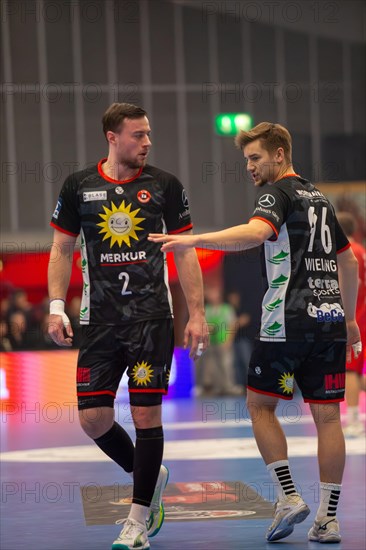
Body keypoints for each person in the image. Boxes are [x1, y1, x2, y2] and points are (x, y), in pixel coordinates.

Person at [149, 122, 362, 544]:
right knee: (327, 417)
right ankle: (327, 520)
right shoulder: (318, 197)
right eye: (246, 159)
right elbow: (349, 262)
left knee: (260, 406)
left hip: (287, 319)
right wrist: (351, 318)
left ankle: (287, 497)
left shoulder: (275, 194)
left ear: (279, 155)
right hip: (330, 320)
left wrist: (194, 240)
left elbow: (254, 233)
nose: (249, 166)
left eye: (255, 158)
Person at [48, 102, 208, 550]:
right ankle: (149, 473)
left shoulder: (165, 186)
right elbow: (61, 250)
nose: (147, 142)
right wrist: (57, 305)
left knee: (144, 414)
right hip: (98, 322)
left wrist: (196, 313)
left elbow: (186, 251)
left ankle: (137, 521)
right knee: (93, 418)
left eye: (149, 134)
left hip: (150, 320)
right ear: (112, 138)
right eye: (138, 135)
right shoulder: (79, 186)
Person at [337, 212, 366, 436]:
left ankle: (354, 421)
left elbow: (345, 285)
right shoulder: (362, 250)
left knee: (351, 371)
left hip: (355, 317)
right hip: (362, 314)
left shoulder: (348, 252)